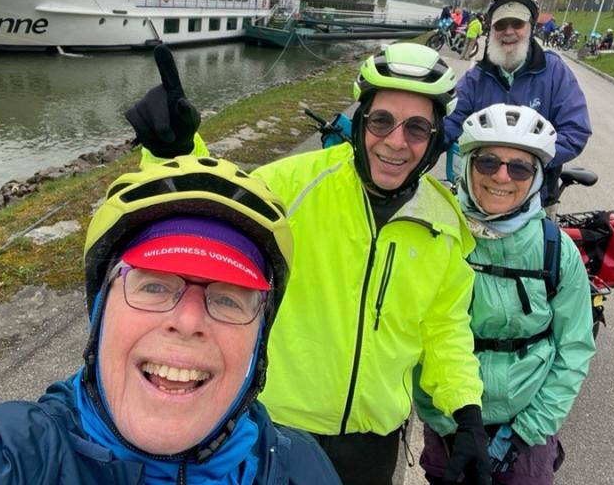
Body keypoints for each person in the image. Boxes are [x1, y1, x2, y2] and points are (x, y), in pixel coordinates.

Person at [125, 43, 490, 485]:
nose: (396, 142)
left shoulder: (443, 222)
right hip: (276, 431)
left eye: (416, 128)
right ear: (361, 121)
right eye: (381, 121)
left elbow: (446, 330)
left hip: (373, 444)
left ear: (434, 139)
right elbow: (210, 213)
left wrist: (467, 413)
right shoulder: (292, 185)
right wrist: (175, 152)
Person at [0, 157, 341, 484]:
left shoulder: (301, 467)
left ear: (259, 339)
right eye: (153, 286)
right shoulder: (18, 459)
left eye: (229, 298)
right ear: (100, 312)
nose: (188, 320)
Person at [415, 103, 596, 484]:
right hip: (450, 421)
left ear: (536, 177)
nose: (501, 176)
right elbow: (416, 337)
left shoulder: (556, 251)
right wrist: (444, 422)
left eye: (519, 168)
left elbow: (573, 349)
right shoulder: (437, 238)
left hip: (526, 425)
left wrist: (525, 433)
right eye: (487, 162)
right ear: (467, 166)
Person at [443, 0, 592, 215]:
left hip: (537, 199)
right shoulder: (476, 78)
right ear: (491, 30)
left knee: (544, 237)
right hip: (480, 195)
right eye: (500, 25)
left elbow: (576, 130)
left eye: (517, 24)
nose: (508, 31)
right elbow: (450, 121)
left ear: (530, 28)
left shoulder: (554, 71)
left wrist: (526, 162)